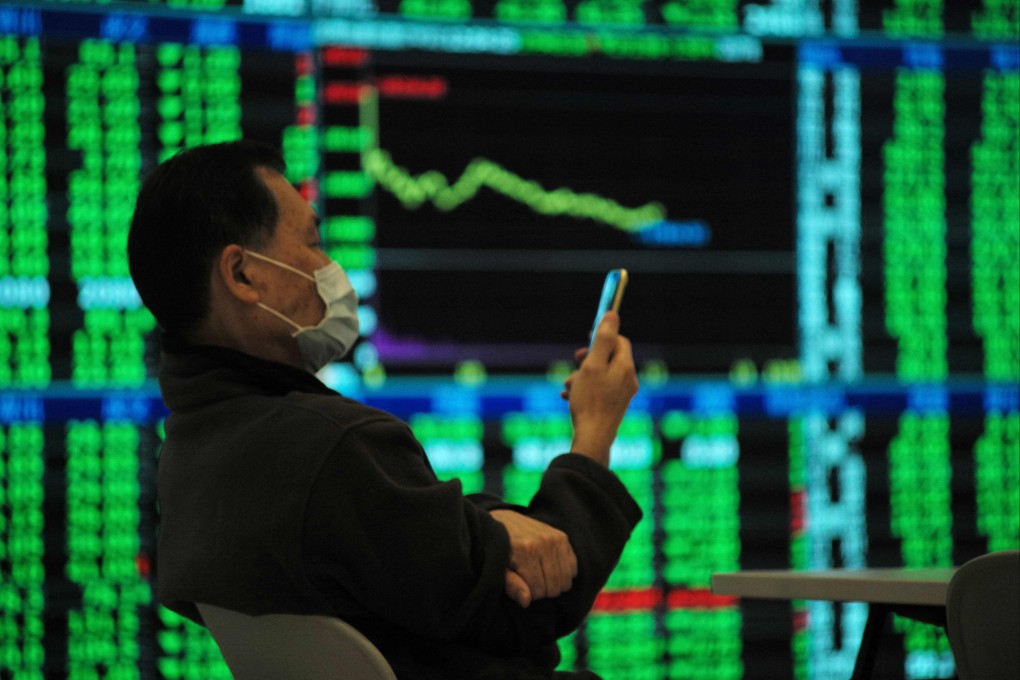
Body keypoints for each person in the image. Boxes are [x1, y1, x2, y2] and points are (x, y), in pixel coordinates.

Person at [127, 140, 642, 679]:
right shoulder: (333, 449)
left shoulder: (194, 453)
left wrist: (484, 529)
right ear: (242, 275)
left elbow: (398, 543)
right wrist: (595, 430)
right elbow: (536, 601)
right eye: (312, 241)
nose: (329, 266)